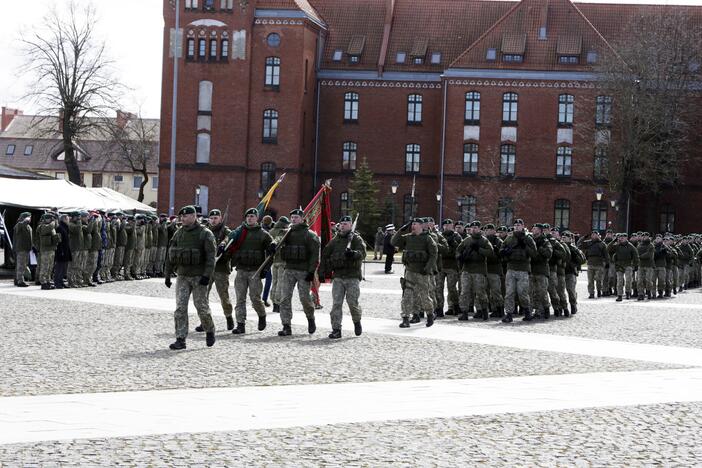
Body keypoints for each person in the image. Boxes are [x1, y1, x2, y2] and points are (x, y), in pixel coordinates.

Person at [164, 205, 217, 350]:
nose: (182, 219)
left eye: (185, 216)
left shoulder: (205, 234)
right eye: (181, 216)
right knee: (180, 308)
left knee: (201, 307)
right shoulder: (179, 233)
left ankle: (210, 329)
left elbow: (211, 258)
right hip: (183, 276)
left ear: (194, 217)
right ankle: (180, 339)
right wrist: (167, 274)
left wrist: (207, 276)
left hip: (199, 277)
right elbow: (171, 254)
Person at [225, 208, 272, 335]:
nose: (249, 218)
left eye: (252, 216)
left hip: (255, 271)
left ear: (257, 218)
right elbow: (229, 239)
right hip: (241, 270)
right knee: (240, 299)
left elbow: (271, 253)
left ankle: (262, 315)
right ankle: (240, 324)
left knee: (255, 298)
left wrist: (266, 269)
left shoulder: (263, 234)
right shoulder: (239, 232)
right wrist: (223, 245)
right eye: (248, 216)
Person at [320, 215, 366, 338]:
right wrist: (321, 271)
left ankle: (357, 321)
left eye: (346, 224)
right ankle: (336, 329)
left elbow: (363, 254)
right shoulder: (335, 240)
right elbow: (325, 254)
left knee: (352, 303)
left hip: (352, 276)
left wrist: (353, 254)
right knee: (336, 304)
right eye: (342, 224)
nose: (343, 226)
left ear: (351, 225)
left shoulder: (356, 239)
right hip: (338, 276)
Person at [277, 208, 320, 336]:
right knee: (285, 298)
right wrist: (274, 244)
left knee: (304, 298)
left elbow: (314, 256)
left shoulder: (310, 235)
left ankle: (310, 318)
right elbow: (278, 240)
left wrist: (311, 272)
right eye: (292, 217)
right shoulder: (286, 233)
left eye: (296, 217)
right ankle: (286, 326)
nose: (294, 219)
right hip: (289, 269)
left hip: (303, 271)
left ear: (302, 219)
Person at [391, 217, 437, 328]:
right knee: (407, 296)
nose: (413, 226)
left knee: (424, 296)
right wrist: (401, 230)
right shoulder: (408, 238)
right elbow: (393, 242)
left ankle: (430, 314)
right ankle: (405, 318)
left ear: (421, 226)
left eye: (415, 224)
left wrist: (428, 268)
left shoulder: (427, 238)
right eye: (412, 224)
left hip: (422, 272)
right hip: (410, 271)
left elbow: (433, 254)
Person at [201, 209, 234, 331]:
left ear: (220, 219)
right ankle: (205, 320)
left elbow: (230, 238)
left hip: (221, 268)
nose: (213, 220)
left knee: (223, 296)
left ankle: (229, 317)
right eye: (211, 218)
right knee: (203, 296)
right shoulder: (204, 231)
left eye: (216, 218)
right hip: (207, 268)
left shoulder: (226, 231)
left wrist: (223, 244)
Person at [499, 219, 537, 323]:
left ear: (523, 226)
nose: (516, 227)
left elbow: (534, 254)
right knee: (509, 293)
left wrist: (525, 246)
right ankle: (509, 314)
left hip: (523, 269)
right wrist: (506, 252)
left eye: (519, 225)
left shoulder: (528, 238)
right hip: (511, 268)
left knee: (522, 293)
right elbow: (501, 252)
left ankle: (527, 312)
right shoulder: (509, 238)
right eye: (515, 225)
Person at [456, 221, 493, 321]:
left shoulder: (484, 241)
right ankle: (464, 312)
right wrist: (460, 257)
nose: (473, 229)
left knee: (480, 292)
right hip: (467, 269)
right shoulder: (467, 240)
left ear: (479, 229)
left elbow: (490, 253)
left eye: (476, 227)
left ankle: (484, 311)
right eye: (472, 228)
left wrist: (479, 249)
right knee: (464, 292)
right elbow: (458, 250)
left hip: (479, 270)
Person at [436, 219, 461, 317]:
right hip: (441, 265)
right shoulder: (439, 236)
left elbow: (459, 249)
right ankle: (439, 308)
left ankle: (454, 305)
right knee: (438, 288)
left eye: (449, 225)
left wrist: (453, 243)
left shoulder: (456, 236)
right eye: (445, 225)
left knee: (451, 288)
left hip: (452, 266)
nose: (447, 227)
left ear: (452, 226)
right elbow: (437, 249)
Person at [530, 224, 553, 319]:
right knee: (533, 292)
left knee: (542, 292)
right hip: (532, 269)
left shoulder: (545, 241)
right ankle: (537, 311)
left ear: (540, 230)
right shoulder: (531, 240)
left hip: (542, 270)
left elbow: (549, 253)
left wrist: (539, 248)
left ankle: (546, 309)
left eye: (535, 228)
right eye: (533, 228)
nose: (533, 230)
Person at [268, 216, 290, 313]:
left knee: (275, 282)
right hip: (282, 260)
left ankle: (273, 300)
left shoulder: (271, 231)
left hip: (274, 260)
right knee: (281, 283)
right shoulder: (284, 232)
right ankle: (277, 303)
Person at [581, 230, 609, 299]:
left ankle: (599, 290)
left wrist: (607, 263)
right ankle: (591, 293)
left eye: (595, 234)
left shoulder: (602, 244)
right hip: (590, 263)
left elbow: (606, 254)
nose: (593, 235)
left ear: (598, 235)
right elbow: (579, 243)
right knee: (590, 280)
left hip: (599, 264)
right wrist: (584, 237)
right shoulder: (588, 243)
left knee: (598, 279)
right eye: (592, 234)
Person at [36, 214, 61, 290]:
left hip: (51, 249)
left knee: (50, 267)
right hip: (45, 250)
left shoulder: (51, 226)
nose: (51, 220)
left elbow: (56, 226)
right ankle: (43, 282)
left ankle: (47, 281)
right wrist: (53, 221)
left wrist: (56, 219)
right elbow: (49, 227)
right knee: (45, 267)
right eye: (50, 219)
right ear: (45, 219)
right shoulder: (42, 226)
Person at [611, 233, 638, 301]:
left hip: (628, 265)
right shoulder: (617, 245)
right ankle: (619, 295)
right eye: (621, 237)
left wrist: (635, 265)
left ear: (626, 238)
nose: (622, 238)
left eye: (623, 237)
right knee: (620, 281)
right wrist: (614, 241)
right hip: (619, 265)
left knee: (628, 280)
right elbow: (608, 248)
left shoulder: (630, 246)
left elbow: (635, 255)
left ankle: (628, 293)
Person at [13, 212, 32, 287]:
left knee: (22, 265)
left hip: (25, 248)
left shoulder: (27, 226)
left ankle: (17, 280)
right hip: (21, 248)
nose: (30, 219)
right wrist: (24, 221)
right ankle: (20, 281)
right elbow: (19, 227)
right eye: (29, 217)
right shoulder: (19, 224)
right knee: (21, 265)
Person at [54, 214, 72, 289]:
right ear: (64, 219)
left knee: (64, 268)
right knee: (60, 268)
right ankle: (57, 283)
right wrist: (61, 251)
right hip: (61, 251)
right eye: (67, 219)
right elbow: (59, 241)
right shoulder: (60, 228)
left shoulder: (65, 227)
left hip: (65, 250)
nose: (69, 220)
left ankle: (61, 281)